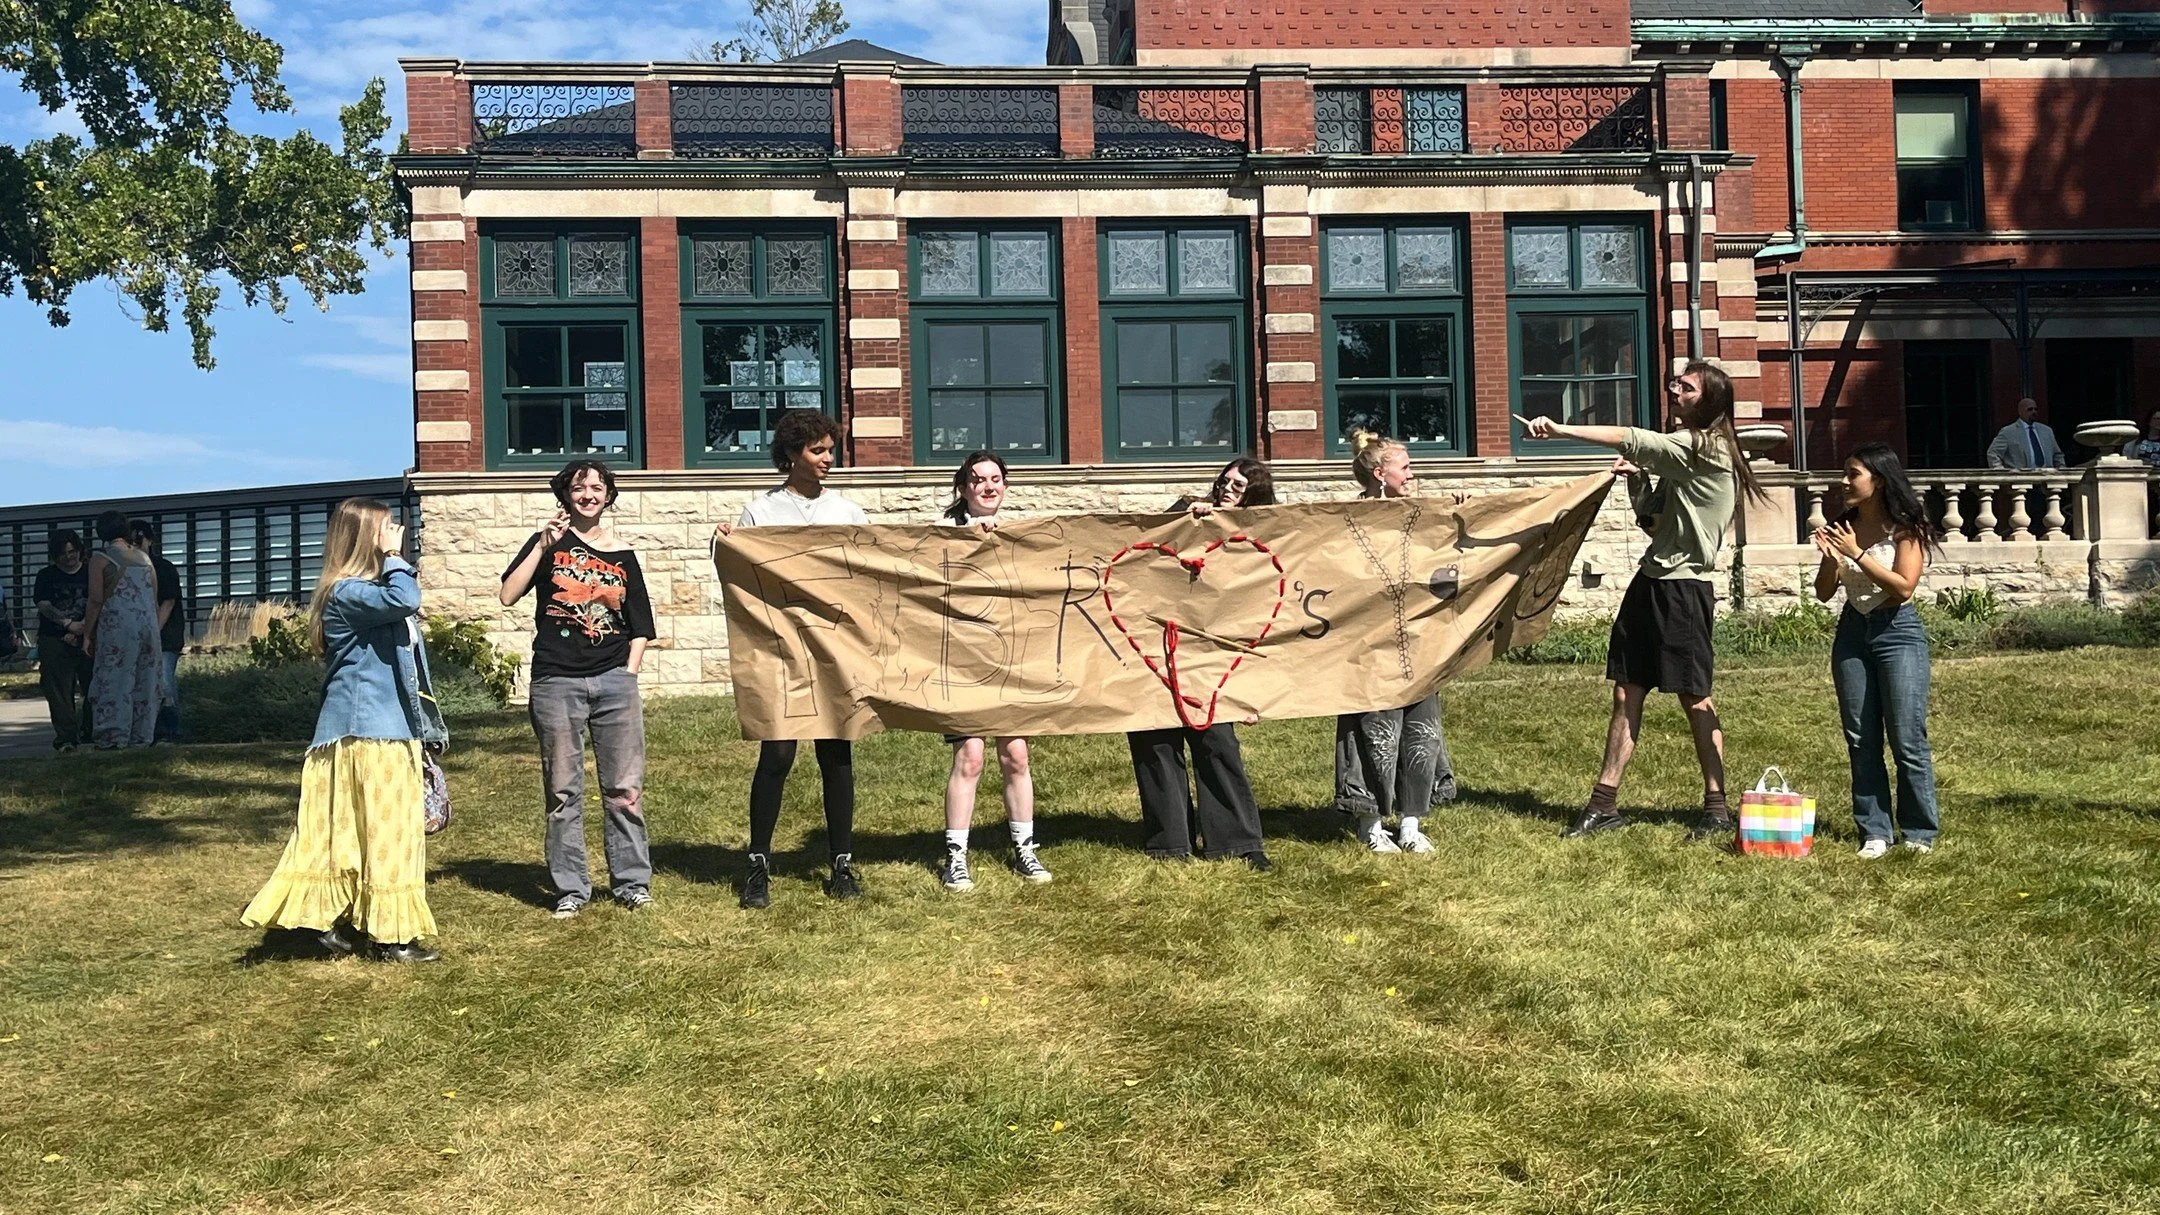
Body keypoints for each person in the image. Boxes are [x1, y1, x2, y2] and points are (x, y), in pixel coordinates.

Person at [1522, 360, 1769, 839]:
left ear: (1711, 402)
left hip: (1683, 590)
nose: (1675, 391)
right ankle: (1604, 805)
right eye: (1676, 383)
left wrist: (1558, 429)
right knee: (1625, 690)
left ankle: (1717, 809)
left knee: (1695, 698)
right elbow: (1656, 526)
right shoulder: (1684, 457)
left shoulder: (1706, 448)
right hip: (1652, 582)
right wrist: (1638, 481)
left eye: (1687, 387)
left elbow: (1632, 437)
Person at [241, 498, 446, 962]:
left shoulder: (358, 593)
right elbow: (406, 599)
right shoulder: (350, 593)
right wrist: (395, 559)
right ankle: (391, 938)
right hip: (369, 732)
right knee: (388, 834)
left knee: (353, 833)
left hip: (374, 729)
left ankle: (334, 924)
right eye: (385, 528)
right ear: (362, 537)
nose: (395, 533)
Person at [711, 410, 870, 909]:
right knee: (777, 753)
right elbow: (744, 578)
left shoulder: (848, 513)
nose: (828, 459)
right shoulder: (762, 514)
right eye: (818, 451)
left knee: (836, 751)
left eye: (830, 450)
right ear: (791, 455)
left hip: (835, 649)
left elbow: (870, 574)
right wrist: (727, 543)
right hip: (780, 648)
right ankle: (758, 864)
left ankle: (842, 863)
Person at [500, 459, 658, 919]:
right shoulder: (547, 543)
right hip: (556, 681)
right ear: (565, 494)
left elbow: (641, 624)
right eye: (578, 487)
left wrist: (628, 672)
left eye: (596, 486)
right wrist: (542, 545)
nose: (588, 494)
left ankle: (631, 882)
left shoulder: (624, 553)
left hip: (614, 682)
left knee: (624, 789)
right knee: (563, 790)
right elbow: (508, 594)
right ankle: (572, 887)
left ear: (609, 494)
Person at [1121, 457, 1274, 872]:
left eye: (1239, 487)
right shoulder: (1187, 512)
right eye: (1225, 481)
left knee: (1217, 744)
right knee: (1155, 738)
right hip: (1159, 646)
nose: (1228, 489)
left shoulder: (1262, 533)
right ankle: (1169, 841)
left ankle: (1237, 840)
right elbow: (1145, 545)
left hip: (1213, 658)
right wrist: (1187, 519)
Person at [1813, 444, 1943, 857]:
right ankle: (1875, 830)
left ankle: (1919, 832)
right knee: (1860, 736)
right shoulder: (1843, 524)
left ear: (1879, 480)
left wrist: (1856, 555)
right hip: (1852, 631)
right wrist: (1833, 559)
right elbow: (1822, 592)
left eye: (1853, 474)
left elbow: (1903, 587)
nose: (1844, 482)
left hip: (1897, 631)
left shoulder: (1907, 526)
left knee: (1906, 735)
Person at [1333, 430, 1458, 855]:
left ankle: (1410, 822)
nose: (1412, 473)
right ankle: (1369, 822)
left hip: (1416, 640)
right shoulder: (1345, 518)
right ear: (1378, 472)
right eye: (1405, 466)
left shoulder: (1421, 516)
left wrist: (1461, 518)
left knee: (1420, 728)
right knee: (1370, 729)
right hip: (1367, 643)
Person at [934, 450, 1052, 891]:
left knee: (1016, 754)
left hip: (1010, 660)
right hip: (961, 662)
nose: (988, 486)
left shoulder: (1020, 534)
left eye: (996, 478)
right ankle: (956, 857)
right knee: (971, 756)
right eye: (978, 479)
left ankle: (1025, 849)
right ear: (963, 487)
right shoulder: (942, 534)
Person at [82, 511, 161, 749]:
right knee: (146, 680)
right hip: (148, 626)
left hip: (118, 626)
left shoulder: (100, 558)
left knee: (114, 678)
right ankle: (142, 736)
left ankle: (113, 736)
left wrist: (87, 633)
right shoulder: (146, 559)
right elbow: (154, 598)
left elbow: (95, 599)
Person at [32, 530, 92, 751]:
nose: (69, 557)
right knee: (58, 690)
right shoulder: (46, 575)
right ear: (54, 556)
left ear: (80, 551)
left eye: (72, 552)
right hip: (54, 638)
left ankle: (91, 731)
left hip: (89, 635)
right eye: (63, 554)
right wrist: (67, 624)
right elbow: (44, 605)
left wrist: (83, 627)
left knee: (94, 686)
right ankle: (66, 736)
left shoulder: (90, 572)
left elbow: (100, 600)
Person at [130, 519, 186, 742]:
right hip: (141, 636)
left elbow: (168, 602)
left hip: (165, 637)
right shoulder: (130, 570)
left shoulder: (163, 567)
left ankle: (170, 731)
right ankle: (149, 731)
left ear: (148, 540)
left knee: (164, 684)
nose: (135, 545)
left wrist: (154, 631)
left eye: (138, 540)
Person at [1985, 397, 2065, 471]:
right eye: (2030, 409)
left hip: (2046, 478)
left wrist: (2062, 470)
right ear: (2020, 412)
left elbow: (2057, 455)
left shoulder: (2047, 431)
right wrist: (2000, 471)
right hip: (2021, 479)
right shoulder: (2008, 432)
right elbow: (1993, 453)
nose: (2034, 412)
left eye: (2035, 409)